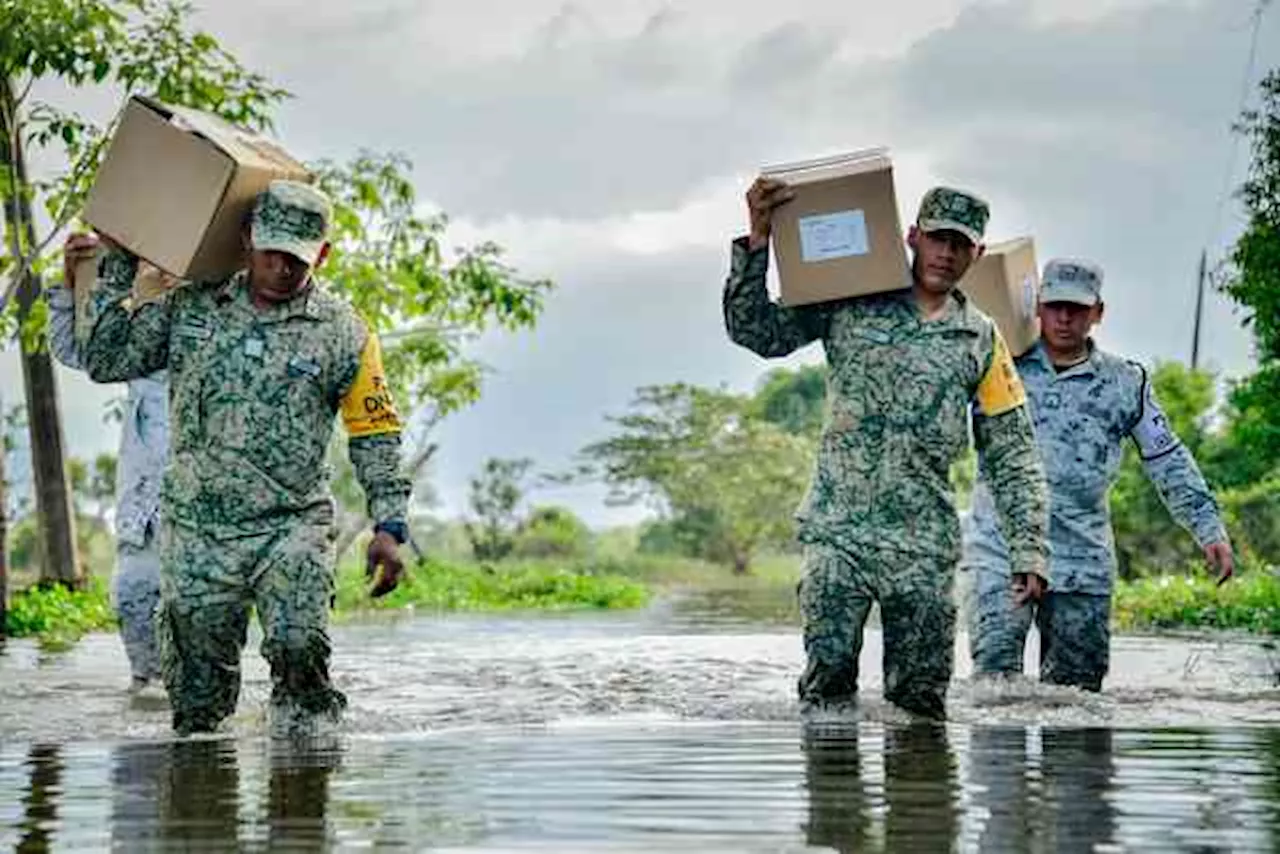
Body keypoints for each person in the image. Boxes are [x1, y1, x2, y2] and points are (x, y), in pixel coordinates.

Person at [78, 179, 412, 737]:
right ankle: (203, 812)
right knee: (198, 707)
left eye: (297, 258)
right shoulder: (189, 308)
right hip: (198, 528)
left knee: (300, 649)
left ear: (322, 255)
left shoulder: (344, 333)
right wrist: (118, 265)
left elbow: (375, 431)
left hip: (291, 526)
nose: (281, 267)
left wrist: (390, 525)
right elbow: (107, 359)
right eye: (271, 251)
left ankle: (303, 800)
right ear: (246, 239)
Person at [724, 179, 1049, 719]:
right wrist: (757, 241)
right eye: (938, 238)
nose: (946, 253)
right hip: (838, 531)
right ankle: (833, 797)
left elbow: (1013, 453)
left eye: (960, 244)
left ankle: (921, 803)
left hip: (922, 545)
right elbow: (757, 332)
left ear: (979, 253)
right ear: (912, 236)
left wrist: (1029, 549)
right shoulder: (849, 300)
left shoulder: (983, 339)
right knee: (826, 685)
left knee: (920, 703)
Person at [962, 258, 1233, 692]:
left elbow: (1167, 458)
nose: (1064, 318)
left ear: (1098, 313)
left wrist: (1208, 528)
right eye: (1054, 306)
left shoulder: (1126, 383)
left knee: (1077, 703)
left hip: (1082, 561)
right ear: (1038, 308)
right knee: (994, 688)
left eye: (1077, 308)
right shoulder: (997, 366)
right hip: (1001, 553)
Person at [47, 246, 176, 699]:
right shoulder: (134, 324)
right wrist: (69, 282)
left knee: (202, 633)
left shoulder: (217, 313)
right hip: (143, 505)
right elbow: (75, 349)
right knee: (135, 600)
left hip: (208, 506)